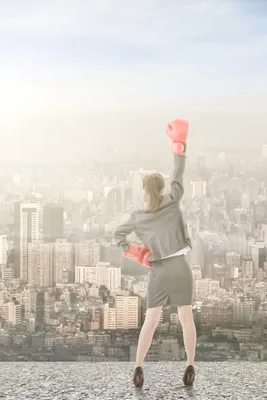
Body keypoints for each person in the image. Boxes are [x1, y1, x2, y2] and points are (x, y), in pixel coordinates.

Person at [113, 119, 196, 388]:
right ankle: (190, 365)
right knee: (186, 318)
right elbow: (178, 173)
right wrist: (178, 144)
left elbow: (117, 236)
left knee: (151, 320)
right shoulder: (172, 200)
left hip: (158, 271)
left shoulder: (139, 217)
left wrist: (136, 252)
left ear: (144, 191)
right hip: (181, 267)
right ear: (161, 188)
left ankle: (138, 367)